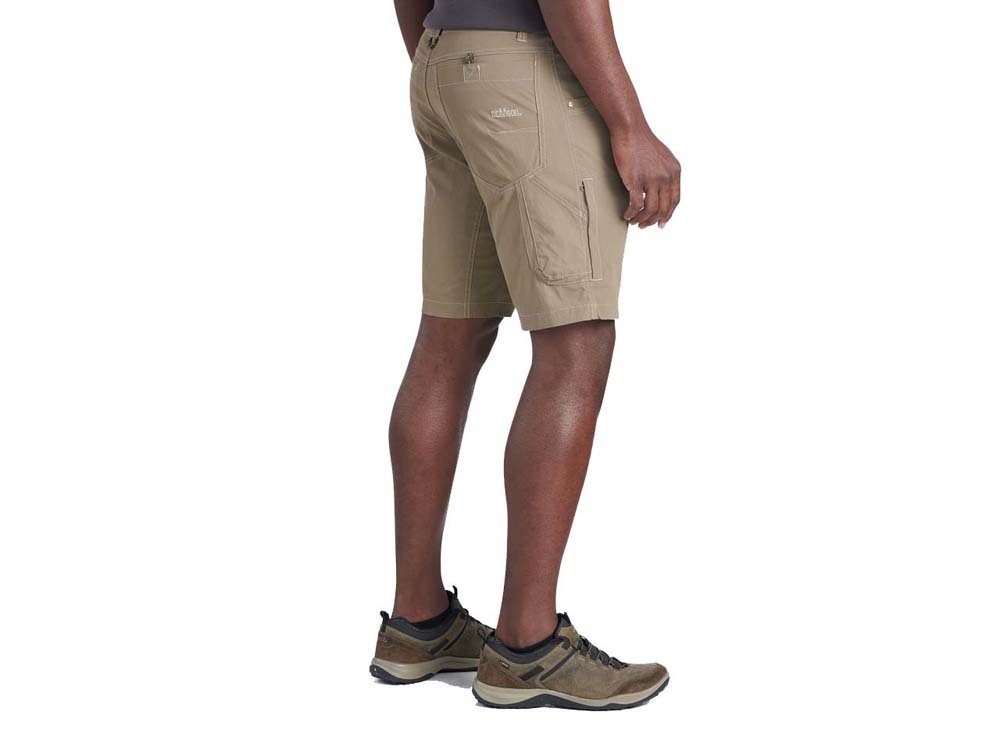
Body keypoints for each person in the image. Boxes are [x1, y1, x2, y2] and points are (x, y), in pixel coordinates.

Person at [370, 0, 681, 710]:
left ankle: (417, 624)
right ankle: (528, 646)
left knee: (452, 332)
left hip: (447, 57)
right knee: (576, 341)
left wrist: (448, 56)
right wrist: (630, 125)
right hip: (524, 65)